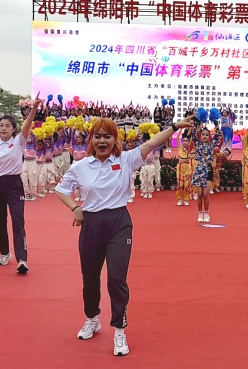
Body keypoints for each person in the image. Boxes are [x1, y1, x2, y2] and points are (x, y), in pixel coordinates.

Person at [54, 115, 194, 356]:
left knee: (116, 279)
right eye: (98, 137)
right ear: (91, 140)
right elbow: (61, 190)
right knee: (90, 278)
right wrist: (75, 208)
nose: (102, 141)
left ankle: (119, 330)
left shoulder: (126, 160)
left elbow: (152, 143)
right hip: (91, 225)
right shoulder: (80, 166)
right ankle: (92, 318)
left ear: (115, 139)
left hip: (119, 224)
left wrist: (174, 127)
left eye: (107, 137)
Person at [0, 101, 39, 273]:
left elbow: (28, 124)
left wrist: (33, 109)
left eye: (7, 126)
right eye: (1, 125)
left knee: (18, 221)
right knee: (0, 221)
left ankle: (22, 260)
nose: (3, 128)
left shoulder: (19, 141)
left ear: (13, 129)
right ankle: (4, 253)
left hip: (14, 185)